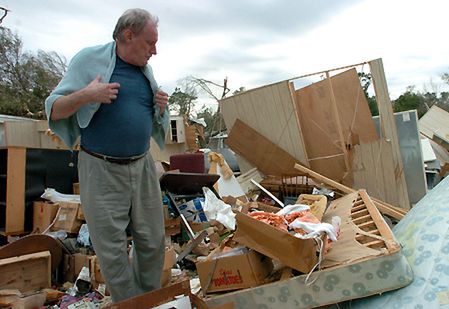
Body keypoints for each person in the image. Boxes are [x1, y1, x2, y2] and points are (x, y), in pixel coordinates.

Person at [45, 8, 169, 302]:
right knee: (111, 249)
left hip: (141, 166)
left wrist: (160, 106)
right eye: (150, 42)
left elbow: (148, 118)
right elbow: (53, 108)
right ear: (128, 35)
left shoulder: (144, 70)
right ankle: (129, 304)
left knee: (152, 241)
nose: (155, 50)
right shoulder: (90, 60)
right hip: (100, 168)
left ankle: (147, 300)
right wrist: (87, 95)